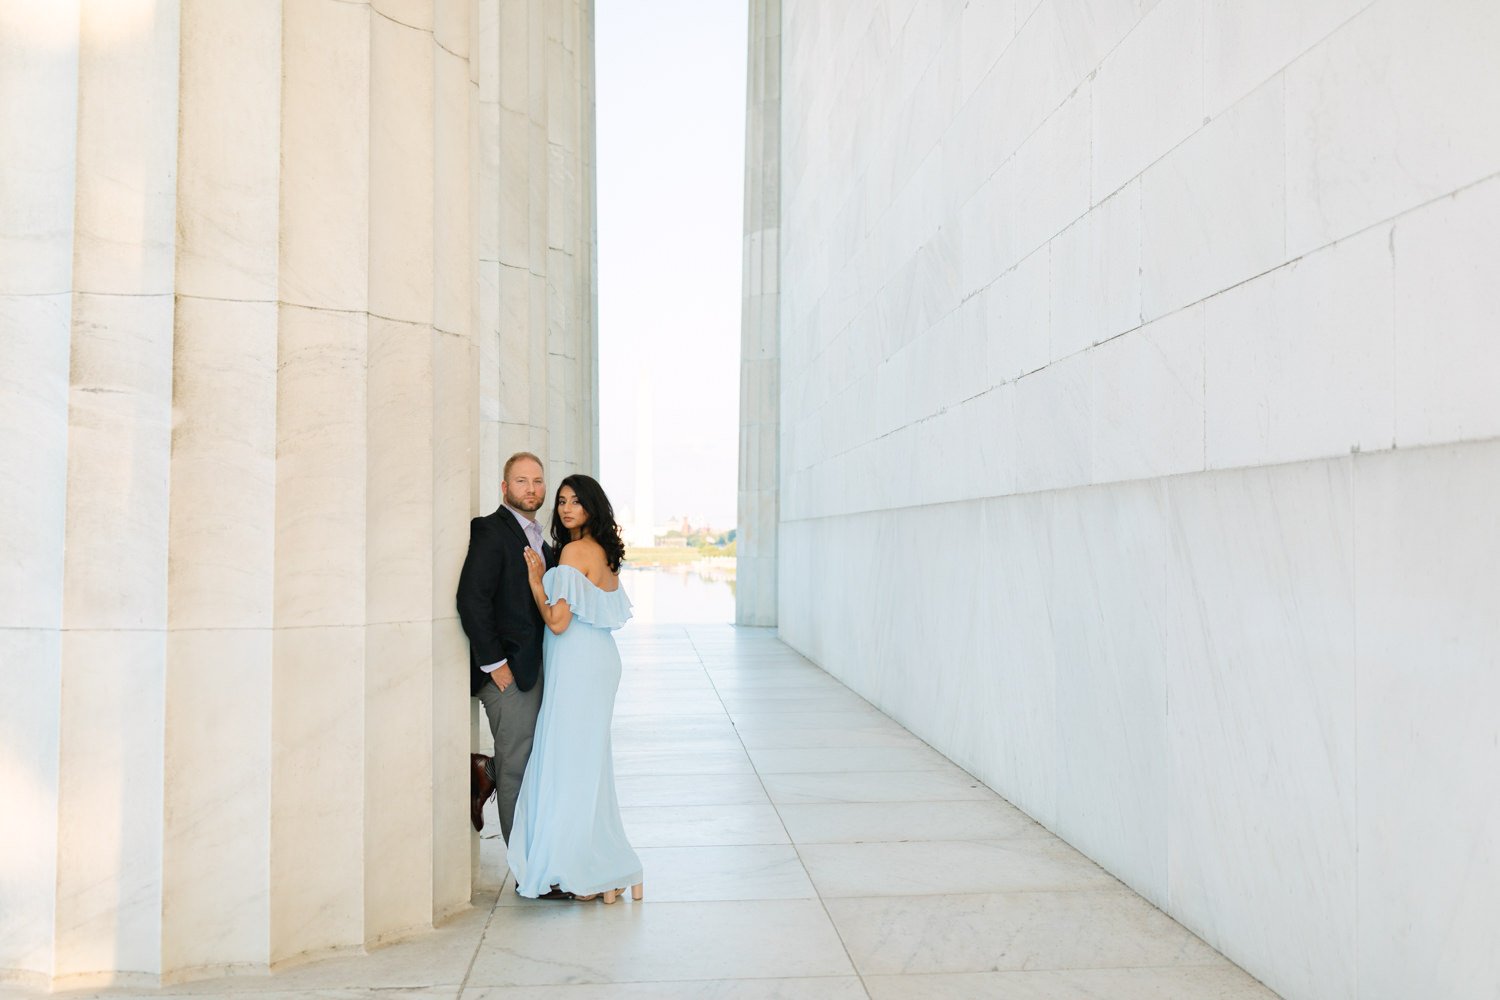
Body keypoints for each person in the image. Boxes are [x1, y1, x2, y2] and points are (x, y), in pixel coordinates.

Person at [507, 474, 643, 903]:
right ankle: (610, 866)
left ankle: (582, 867)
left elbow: (558, 622)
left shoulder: (571, 551)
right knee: (588, 764)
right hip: (598, 660)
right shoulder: (605, 553)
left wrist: (536, 581)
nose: (566, 508)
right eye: (562, 501)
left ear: (591, 507)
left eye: (576, 502)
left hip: (577, 665)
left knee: (567, 762)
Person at [456, 453, 566, 900]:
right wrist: (494, 666)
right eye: (521, 481)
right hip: (508, 677)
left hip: (538, 671)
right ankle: (528, 874)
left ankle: (486, 772)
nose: (532, 489)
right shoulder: (490, 530)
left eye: (538, 481)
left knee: (535, 763)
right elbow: (471, 599)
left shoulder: (544, 540)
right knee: (518, 771)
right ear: (504, 488)